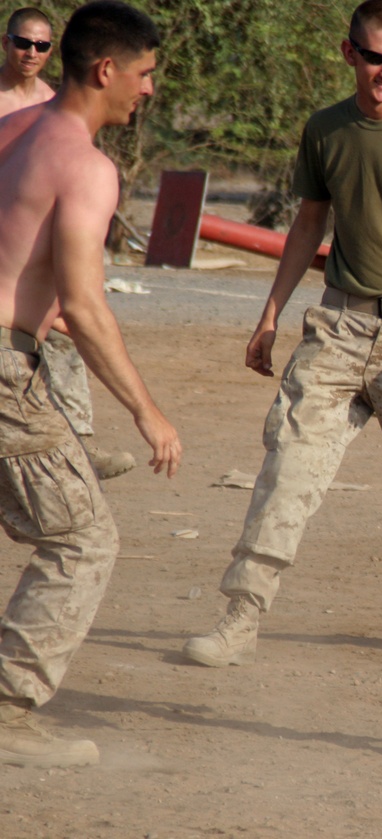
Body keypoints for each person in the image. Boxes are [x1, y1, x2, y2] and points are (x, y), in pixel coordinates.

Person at [182, 0, 382, 671]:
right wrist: (270, 313)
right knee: (287, 470)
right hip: (338, 325)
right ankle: (241, 618)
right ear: (348, 53)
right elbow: (308, 226)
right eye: (374, 57)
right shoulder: (326, 129)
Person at [0, 0, 181, 768]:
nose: (148, 92)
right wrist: (148, 413)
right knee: (83, 537)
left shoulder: (14, 131)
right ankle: (7, 712)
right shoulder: (87, 164)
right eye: (143, 75)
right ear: (107, 69)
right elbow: (85, 302)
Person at [0, 6, 136, 481]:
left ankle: (78, 441)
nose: (31, 53)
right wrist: (148, 414)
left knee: (66, 346)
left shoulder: (43, 107)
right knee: (83, 544)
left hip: (35, 297)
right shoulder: (23, 120)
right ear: (6, 42)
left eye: (41, 46)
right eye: (23, 43)